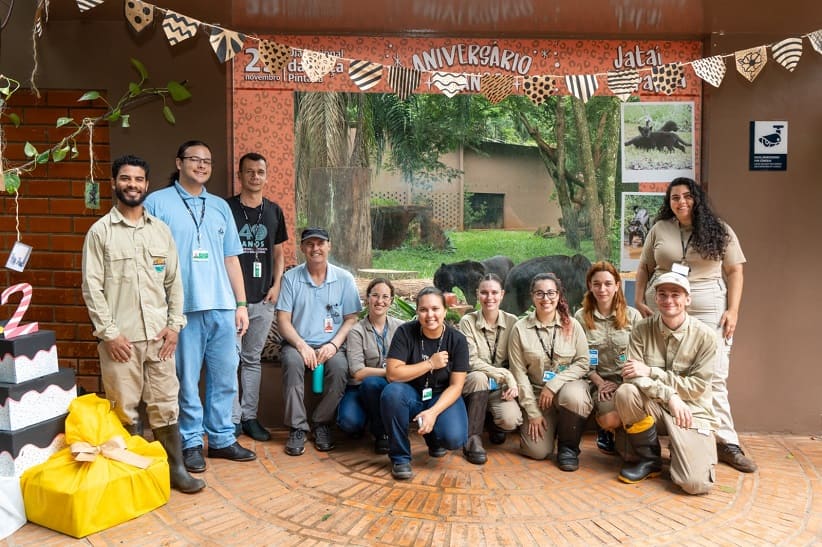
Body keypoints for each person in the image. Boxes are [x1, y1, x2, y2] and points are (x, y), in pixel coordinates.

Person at [81, 154, 205, 494]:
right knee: (126, 408)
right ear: (114, 184)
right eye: (125, 179)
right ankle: (131, 478)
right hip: (122, 342)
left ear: (147, 185)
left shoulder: (160, 231)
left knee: (166, 404)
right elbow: (92, 287)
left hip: (160, 339)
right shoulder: (100, 233)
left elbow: (175, 284)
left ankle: (175, 470)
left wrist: (175, 326)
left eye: (138, 179)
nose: (132, 185)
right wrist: (109, 334)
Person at [144, 140, 256, 473]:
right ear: (179, 163)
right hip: (182, 310)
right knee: (186, 379)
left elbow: (231, 257)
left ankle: (221, 440)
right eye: (195, 159)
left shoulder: (220, 206)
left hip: (222, 307)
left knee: (224, 378)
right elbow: (150, 259)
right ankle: (191, 442)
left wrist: (241, 304)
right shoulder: (157, 202)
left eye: (207, 161)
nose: (202, 165)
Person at [634, 177, 756, 473]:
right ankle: (667, 438)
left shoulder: (719, 229)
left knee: (713, 377)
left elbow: (735, 271)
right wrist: (639, 299)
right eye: (675, 197)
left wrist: (734, 310)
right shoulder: (659, 229)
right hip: (663, 308)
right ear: (669, 202)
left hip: (708, 310)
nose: (681, 202)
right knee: (661, 370)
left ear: (697, 199)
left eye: (687, 196)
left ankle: (725, 441)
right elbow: (644, 267)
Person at [615, 272, 718, 495]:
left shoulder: (706, 337)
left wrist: (652, 371)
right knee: (626, 392)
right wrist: (669, 396)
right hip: (656, 406)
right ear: (656, 298)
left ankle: (681, 450)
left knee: (694, 484)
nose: (668, 300)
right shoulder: (641, 329)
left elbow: (698, 386)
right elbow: (631, 374)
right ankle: (649, 459)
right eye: (662, 294)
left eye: (675, 294)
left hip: (692, 410)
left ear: (687, 299)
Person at [277, 227, 361, 456]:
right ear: (303, 248)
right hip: (298, 343)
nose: (316, 248)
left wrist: (333, 345)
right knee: (292, 363)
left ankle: (321, 423)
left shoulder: (344, 278)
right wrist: (301, 345)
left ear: (329, 246)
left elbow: (351, 318)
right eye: (310, 244)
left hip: (331, 344)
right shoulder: (291, 278)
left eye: (320, 243)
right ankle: (297, 427)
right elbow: (283, 320)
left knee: (340, 368)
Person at [226, 152, 288, 442]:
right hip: (231, 301)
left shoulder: (274, 211)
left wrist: (276, 285)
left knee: (251, 359)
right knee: (229, 359)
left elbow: (278, 253)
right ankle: (232, 419)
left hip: (263, 299)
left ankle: (249, 417)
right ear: (240, 176)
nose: (254, 177)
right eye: (249, 172)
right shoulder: (226, 209)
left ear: (266, 175)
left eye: (260, 172)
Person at [381, 287, 469, 480]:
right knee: (392, 393)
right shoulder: (405, 332)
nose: (430, 315)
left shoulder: (457, 340)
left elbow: (456, 386)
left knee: (454, 438)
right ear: (417, 311)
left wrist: (433, 412)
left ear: (445, 311)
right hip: (410, 392)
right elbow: (393, 374)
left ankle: (434, 438)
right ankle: (400, 457)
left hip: (440, 395)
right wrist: (430, 363)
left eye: (435, 309)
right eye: (423, 309)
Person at [509, 273, 592, 472]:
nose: (546, 298)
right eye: (540, 293)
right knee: (536, 451)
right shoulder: (520, 329)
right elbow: (518, 373)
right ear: (532, 296)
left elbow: (583, 363)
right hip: (538, 396)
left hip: (566, 388)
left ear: (558, 295)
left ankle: (568, 448)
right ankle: (551, 427)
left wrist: (554, 384)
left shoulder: (572, 325)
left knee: (575, 396)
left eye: (550, 293)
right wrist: (533, 412)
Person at [574, 262, 642, 455]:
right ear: (590, 286)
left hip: (627, 381)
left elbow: (640, 356)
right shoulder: (580, 318)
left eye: (607, 283)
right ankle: (605, 428)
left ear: (617, 286)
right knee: (610, 418)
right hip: (597, 382)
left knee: (628, 451)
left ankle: (622, 436)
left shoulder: (633, 316)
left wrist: (623, 383)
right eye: (596, 284)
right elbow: (579, 358)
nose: (602, 289)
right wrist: (600, 382)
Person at [457, 273, 522, 465]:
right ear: (477, 294)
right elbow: (471, 361)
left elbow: (518, 359)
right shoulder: (467, 322)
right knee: (478, 377)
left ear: (502, 294)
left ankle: (494, 424)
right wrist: (505, 375)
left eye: (494, 292)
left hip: (499, 389)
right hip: (474, 385)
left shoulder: (513, 322)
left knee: (511, 420)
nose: (489, 297)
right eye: (484, 293)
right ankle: (472, 439)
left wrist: (513, 382)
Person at [339, 278, 403, 454]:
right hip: (359, 388)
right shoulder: (356, 331)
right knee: (349, 423)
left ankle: (381, 432)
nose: (379, 301)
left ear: (391, 300)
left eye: (385, 297)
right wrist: (392, 371)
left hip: (391, 386)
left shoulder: (401, 328)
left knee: (375, 384)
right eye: (375, 295)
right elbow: (358, 372)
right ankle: (368, 417)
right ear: (367, 298)